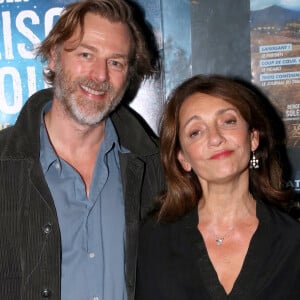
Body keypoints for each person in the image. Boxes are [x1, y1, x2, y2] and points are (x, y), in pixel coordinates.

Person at [0, 0, 164, 299]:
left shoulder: (156, 167)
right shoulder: (3, 165)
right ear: (53, 57)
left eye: (115, 62)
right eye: (86, 54)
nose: (100, 75)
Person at [136, 74, 300, 300]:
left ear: (253, 138)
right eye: (196, 131)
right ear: (183, 158)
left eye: (228, 121)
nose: (215, 138)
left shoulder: (292, 240)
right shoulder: (153, 239)